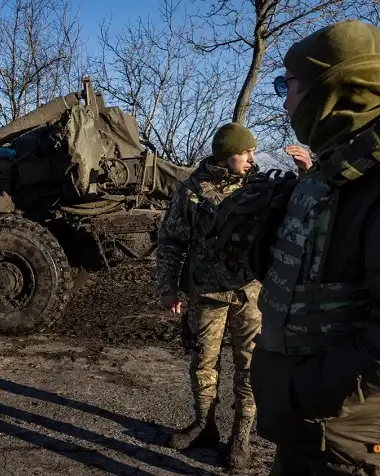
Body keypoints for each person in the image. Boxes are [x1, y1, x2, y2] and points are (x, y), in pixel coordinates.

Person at [242, 19, 380, 475]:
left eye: (289, 85)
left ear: (330, 88)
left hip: (347, 445)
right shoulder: (338, 170)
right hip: (314, 429)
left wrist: (303, 391)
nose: (283, 102)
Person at [155, 122, 263, 469]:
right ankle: (204, 426)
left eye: (252, 152)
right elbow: (171, 241)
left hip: (251, 294)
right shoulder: (192, 191)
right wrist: (168, 287)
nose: (251, 158)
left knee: (250, 368)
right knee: (203, 365)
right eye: (245, 152)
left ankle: (241, 438)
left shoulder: (261, 188)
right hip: (207, 293)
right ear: (227, 155)